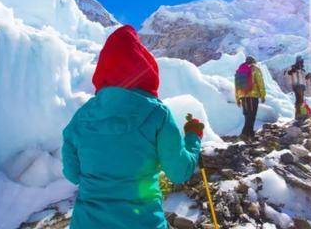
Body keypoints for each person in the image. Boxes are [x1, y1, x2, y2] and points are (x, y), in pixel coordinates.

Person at [61, 25, 204, 229]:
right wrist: (193, 137)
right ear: (145, 67)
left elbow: (72, 174)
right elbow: (179, 172)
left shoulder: (81, 118)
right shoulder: (158, 114)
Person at [234, 56, 266, 139]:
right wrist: (263, 95)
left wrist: (237, 98)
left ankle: (250, 134)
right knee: (252, 115)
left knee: (247, 115)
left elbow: (237, 86)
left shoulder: (239, 70)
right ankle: (244, 134)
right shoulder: (255, 69)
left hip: (243, 96)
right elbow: (260, 82)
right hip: (252, 95)